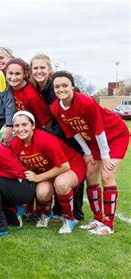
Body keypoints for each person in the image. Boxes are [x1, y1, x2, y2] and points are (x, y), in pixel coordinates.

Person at [50, 71, 129, 235]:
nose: (61, 89)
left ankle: (109, 224)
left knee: (107, 175)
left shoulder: (85, 102)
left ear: (72, 86)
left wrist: (105, 156)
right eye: (57, 86)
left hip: (114, 135)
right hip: (93, 140)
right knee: (91, 175)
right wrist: (87, 152)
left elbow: (99, 129)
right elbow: (73, 131)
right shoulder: (56, 107)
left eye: (65, 85)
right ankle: (98, 218)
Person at [29, 53, 85, 221]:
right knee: (56, 172)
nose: (39, 71)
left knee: (72, 172)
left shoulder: (55, 88)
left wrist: (43, 134)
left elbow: (64, 121)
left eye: (42, 68)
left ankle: (76, 212)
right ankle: (59, 210)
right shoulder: (39, 88)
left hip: (72, 138)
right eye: (35, 68)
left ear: (50, 69)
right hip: (56, 138)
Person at [10, 111, 86, 233]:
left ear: (33, 126)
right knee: (42, 193)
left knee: (61, 184)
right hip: (47, 169)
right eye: (17, 126)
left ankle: (69, 219)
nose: (21, 129)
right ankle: (46, 214)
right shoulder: (15, 143)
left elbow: (64, 166)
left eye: (24, 125)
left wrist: (38, 177)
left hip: (71, 165)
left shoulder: (45, 140)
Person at [5, 58, 53, 128]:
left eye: (17, 74)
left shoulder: (32, 96)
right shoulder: (8, 88)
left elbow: (48, 122)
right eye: (10, 73)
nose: (13, 77)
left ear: (25, 74)